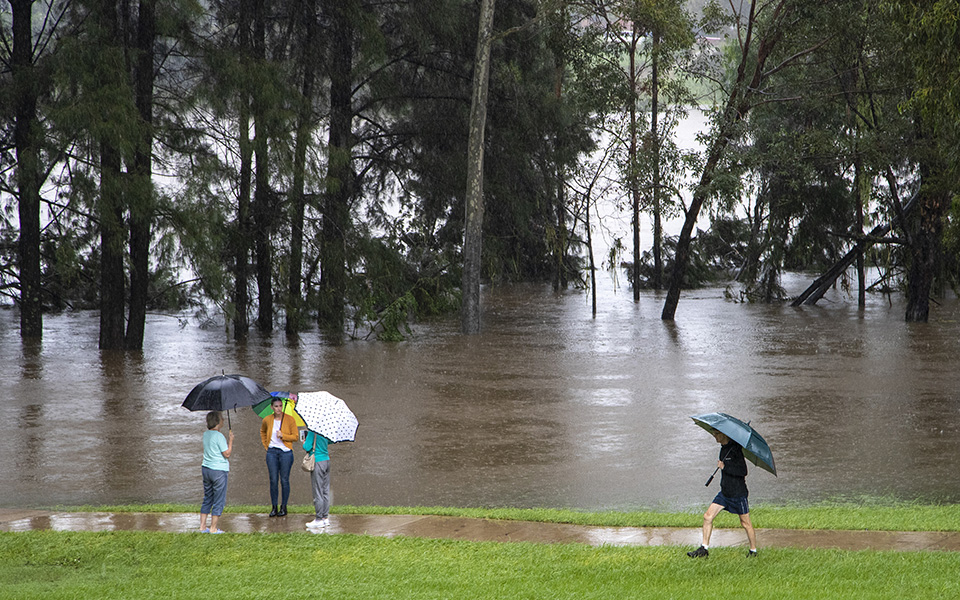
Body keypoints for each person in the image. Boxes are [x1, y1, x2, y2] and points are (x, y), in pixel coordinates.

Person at [687, 429, 758, 558]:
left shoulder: (736, 450)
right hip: (725, 493)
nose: (714, 436)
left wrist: (725, 467)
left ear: (724, 434)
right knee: (707, 517)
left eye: (716, 434)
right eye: (713, 433)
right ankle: (704, 549)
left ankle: (753, 551)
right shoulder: (724, 449)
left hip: (738, 494)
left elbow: (743, 471)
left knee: (745, 523)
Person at [260, 397, 299, 517]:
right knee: (273, 480)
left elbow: (295, 437)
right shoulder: (267, 419)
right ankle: (274, 507)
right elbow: (262, 431)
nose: (278, 408)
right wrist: (266, 446)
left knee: (284, 480)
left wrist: (283, 436)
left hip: (285, 452)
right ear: (272, 407)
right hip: (271, 452)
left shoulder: (290, 420)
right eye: (276, 406)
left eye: (280, 406)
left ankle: (284, 506)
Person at [200, 411, 233, 534]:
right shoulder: (219, 436)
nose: (223, 420)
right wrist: (231, 440)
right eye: (222, 418)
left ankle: (202, 527)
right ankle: (213, 528)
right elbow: (227, 454)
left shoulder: (205, 434)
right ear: (218, 422)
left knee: (208, 497)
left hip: (206, 468)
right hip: (218, 470)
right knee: (219, 499)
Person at [303, 429, 332, 530]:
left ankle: (319, 519)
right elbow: (330, 441)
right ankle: (325, 517)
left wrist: (304, 442)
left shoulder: (313, 431)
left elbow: (307, 446)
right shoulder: (326, 430)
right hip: (326, 460)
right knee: (325, 491)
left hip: (317, 461)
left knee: (317, 491)